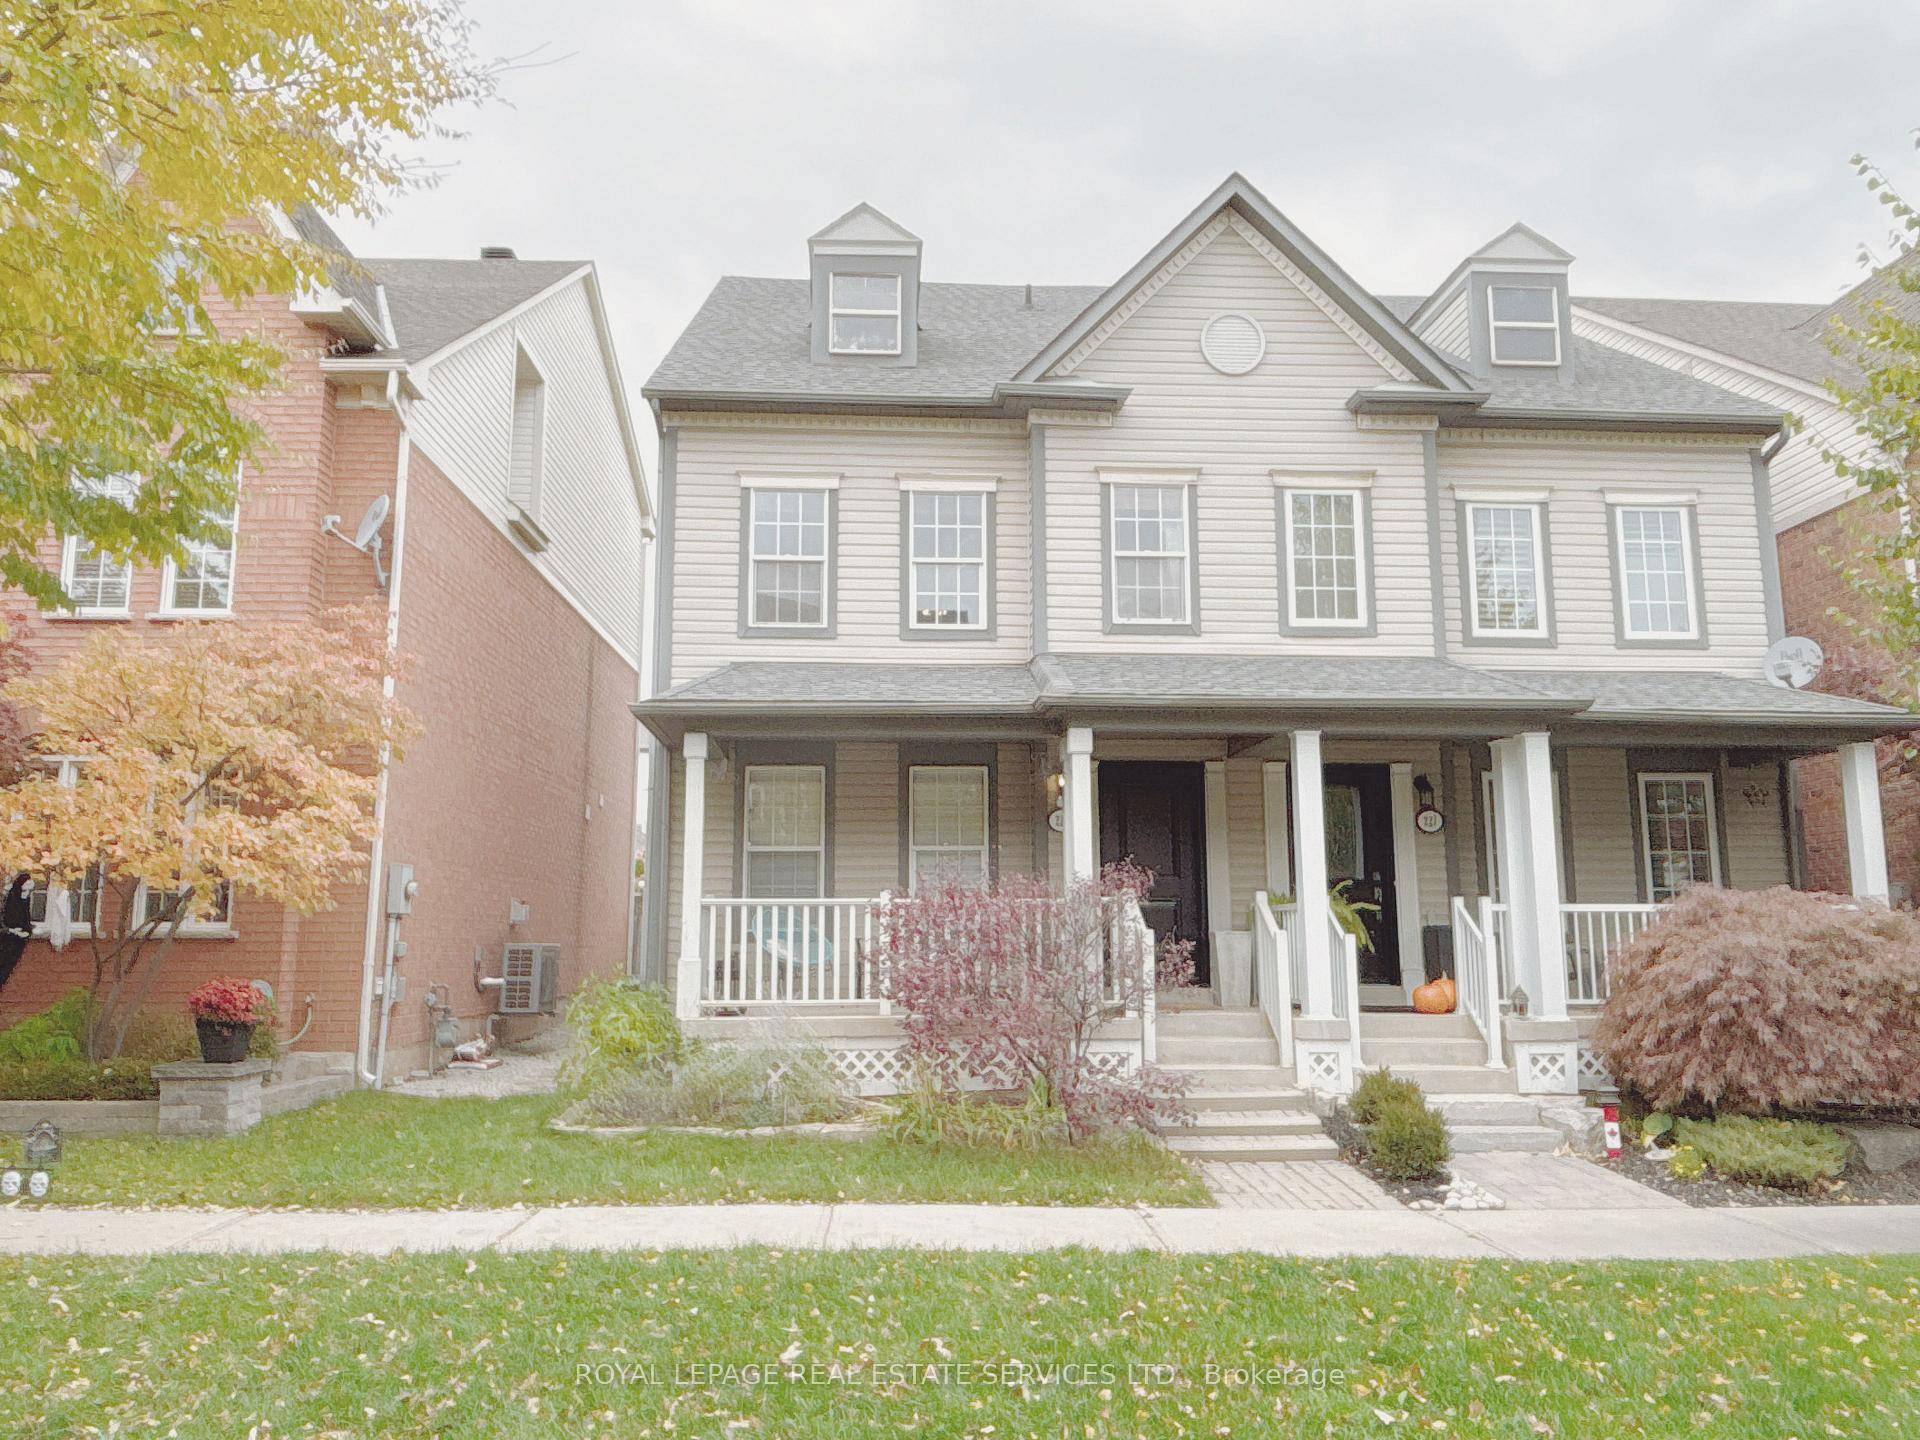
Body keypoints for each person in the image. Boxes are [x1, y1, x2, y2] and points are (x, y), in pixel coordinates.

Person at [0, 873, 33, 998]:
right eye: (25, 890)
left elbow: (26, 921)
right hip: (6, 943)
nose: (27, 893)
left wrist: (27, 931)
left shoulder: (24, 902)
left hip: (17, 944)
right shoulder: (9, 902)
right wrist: (12, 931)